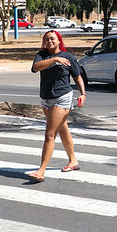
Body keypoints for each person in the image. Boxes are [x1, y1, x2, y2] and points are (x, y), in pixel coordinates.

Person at [29, 30, 86, 182]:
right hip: (46, 99)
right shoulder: (41, 56)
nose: (50, 42)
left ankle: (41, 170)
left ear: (59, 41)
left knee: (50, 134)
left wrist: (83, 94)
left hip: (62, 98)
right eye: (47, 40)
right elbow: (35, 68)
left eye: (52, 39)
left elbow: (77, 76)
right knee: (62, 129)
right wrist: (54, 59)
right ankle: (73, 160)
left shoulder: (69, 57)